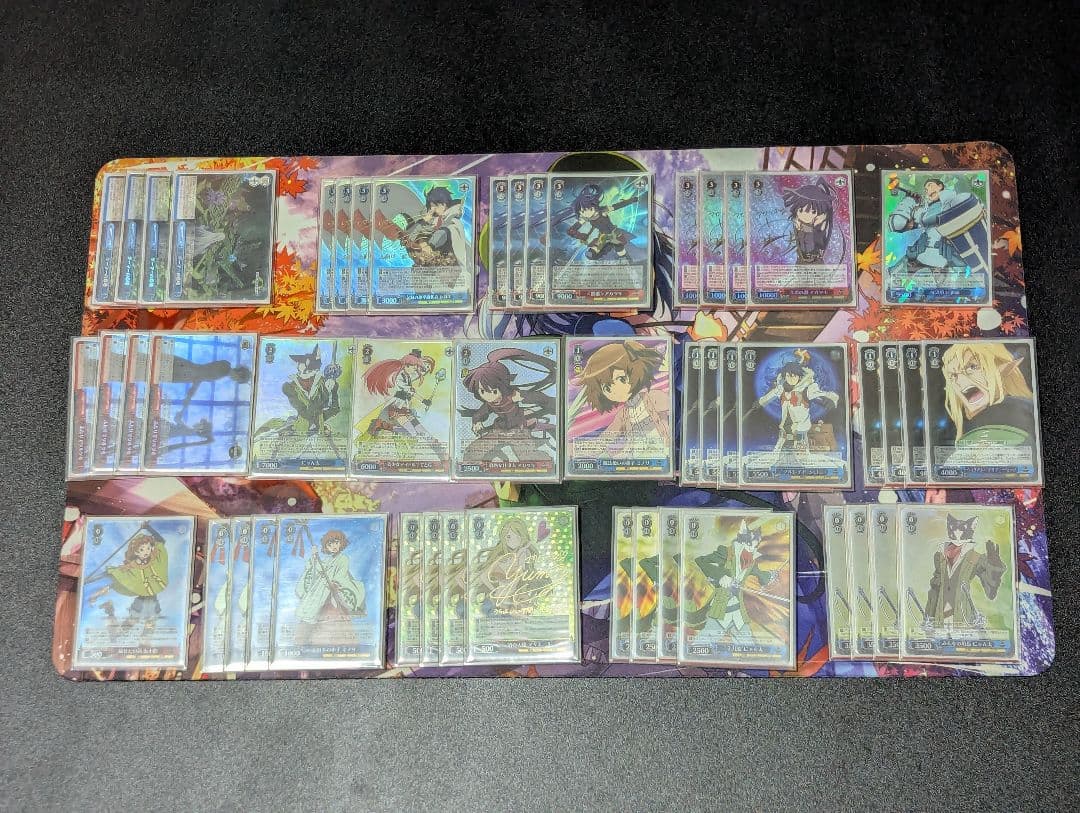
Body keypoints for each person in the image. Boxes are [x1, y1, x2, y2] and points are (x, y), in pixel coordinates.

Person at [579, 340, 671, 457]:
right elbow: (607, 437)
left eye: (622, 379)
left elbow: (677, 415)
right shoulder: (623, 414)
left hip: (662, 454)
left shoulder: (654, 397)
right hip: (638, 459)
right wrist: (579, 450)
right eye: (607, 387)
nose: (615, 389)